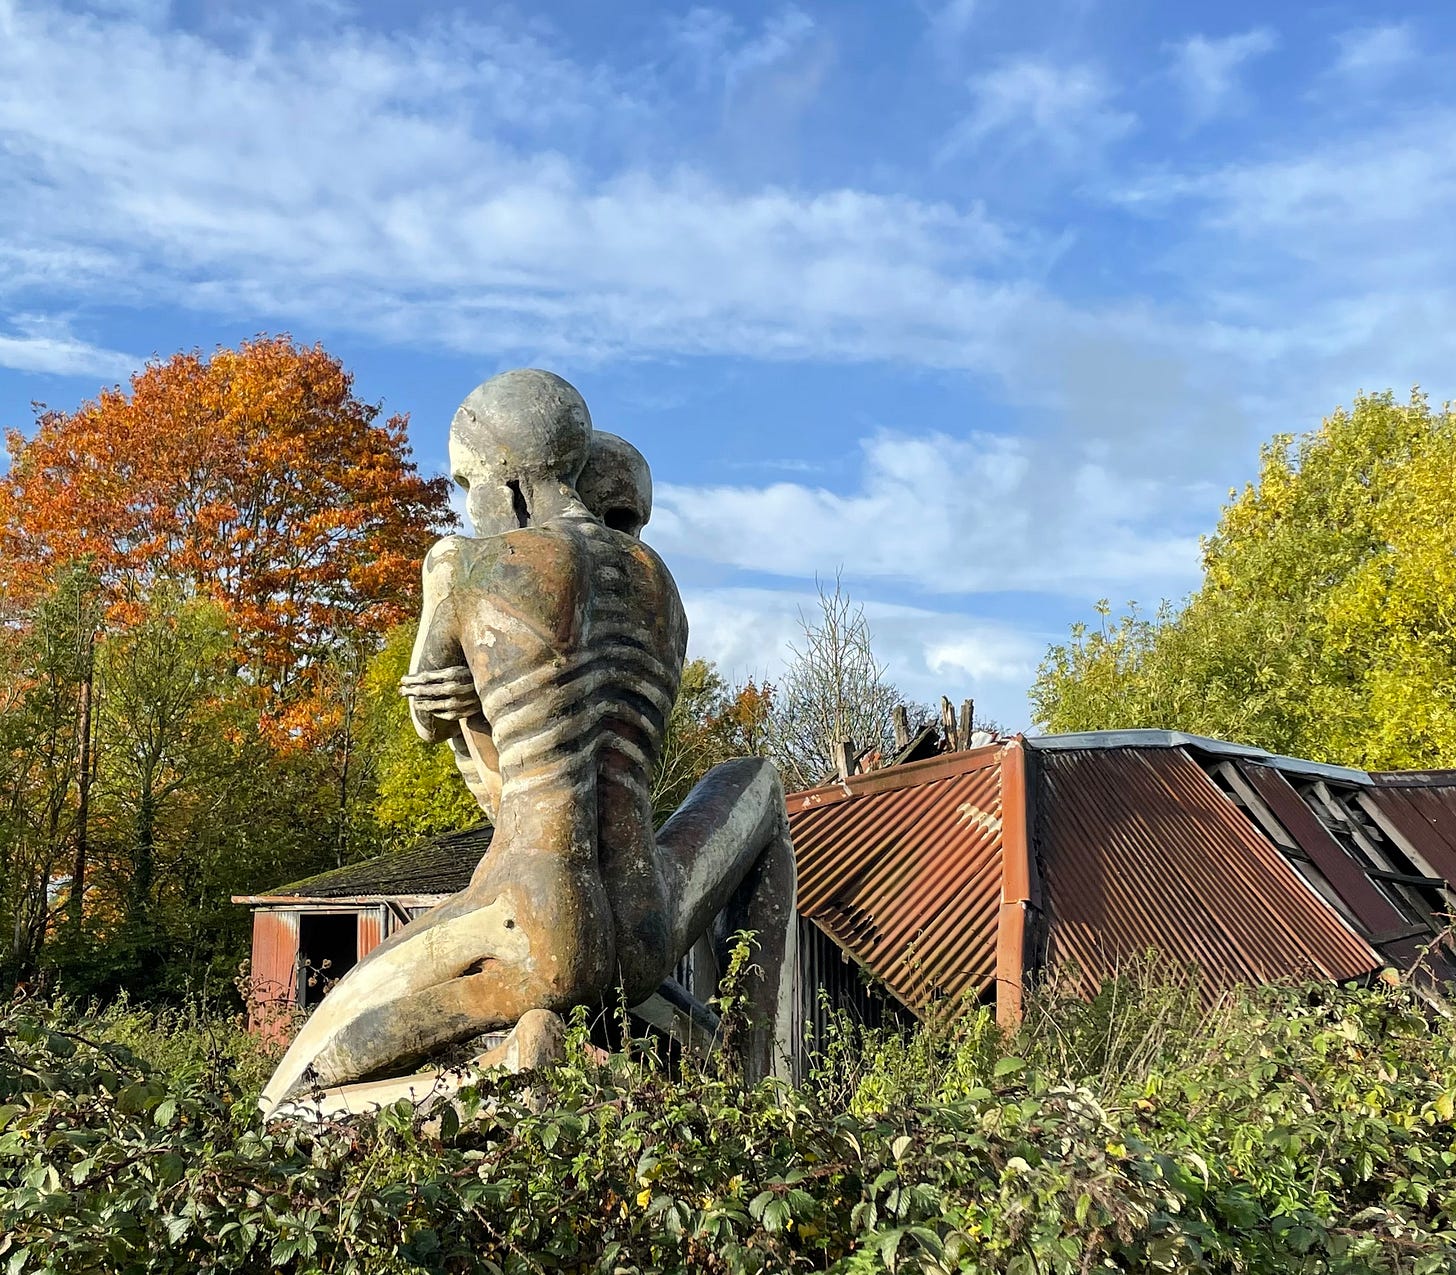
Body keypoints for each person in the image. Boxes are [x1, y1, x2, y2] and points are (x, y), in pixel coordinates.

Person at [260, 371, 794, 1115]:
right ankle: (752, 1073)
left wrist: (444, 610)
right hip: (647, 924)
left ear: (506, 484)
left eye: (466, 481)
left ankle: (519, 1057)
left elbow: (431, 720)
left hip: (531, 913)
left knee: (297, 1081)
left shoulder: (468, 565)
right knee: (757, 781)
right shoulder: (660, 584)